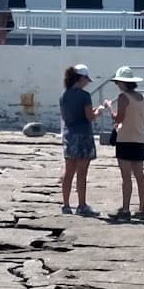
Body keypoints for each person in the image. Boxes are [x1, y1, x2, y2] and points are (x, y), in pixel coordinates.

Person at [102, 65, 144, 220]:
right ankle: (141, 210)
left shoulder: (123, 97)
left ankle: (126, 209)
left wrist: (109, 107)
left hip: (125, 140)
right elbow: (142, 119)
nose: (117, 85)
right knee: (140, 175)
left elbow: (118, 118)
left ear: (123, 83)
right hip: (139, 139)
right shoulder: (141, 97)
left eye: (118, 83)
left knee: (126, 177)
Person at [59, 63, 103, 215]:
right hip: (83, 134)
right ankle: (82, 205)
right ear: (82, 78)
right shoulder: (85, 96)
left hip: (69, 134)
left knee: (68, 171)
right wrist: (98, 112)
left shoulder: (64, 95)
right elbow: (89, 117)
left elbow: (65, 117)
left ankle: (66, 205)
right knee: (82, 172)